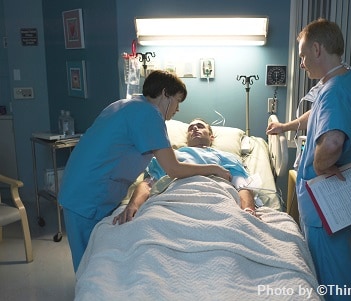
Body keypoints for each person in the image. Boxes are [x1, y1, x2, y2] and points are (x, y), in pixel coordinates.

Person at [58, 71, 231, 272]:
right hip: (88, 196)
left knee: (96, 259)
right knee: (90, 267)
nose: (177, 109)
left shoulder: (125, 105)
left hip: (82, 186)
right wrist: (214, 168)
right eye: (177, 101)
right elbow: (173, 169)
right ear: (165, 94)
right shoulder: (149, 115)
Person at [266, 19, 351, 300]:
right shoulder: (350, 79)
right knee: (338, 267)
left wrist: (318, 166)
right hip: (346, 194)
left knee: (333, 280)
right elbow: (317, 115)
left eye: (302, 56)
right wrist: (285, 127)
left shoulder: (334, 91)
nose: (301, 64)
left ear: (316, 49)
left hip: (326, 202)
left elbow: (334, 140)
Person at [113, 118, 256, 225]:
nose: (195, 129)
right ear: (186, 138)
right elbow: (147, 184)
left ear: (211, 137)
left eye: (200, 126)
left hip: (215, 194)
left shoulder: (225, 156)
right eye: (191, 128)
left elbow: (241, 186)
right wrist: (133, 205)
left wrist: (248, 209)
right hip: (173, 195)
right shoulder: (169, 155)